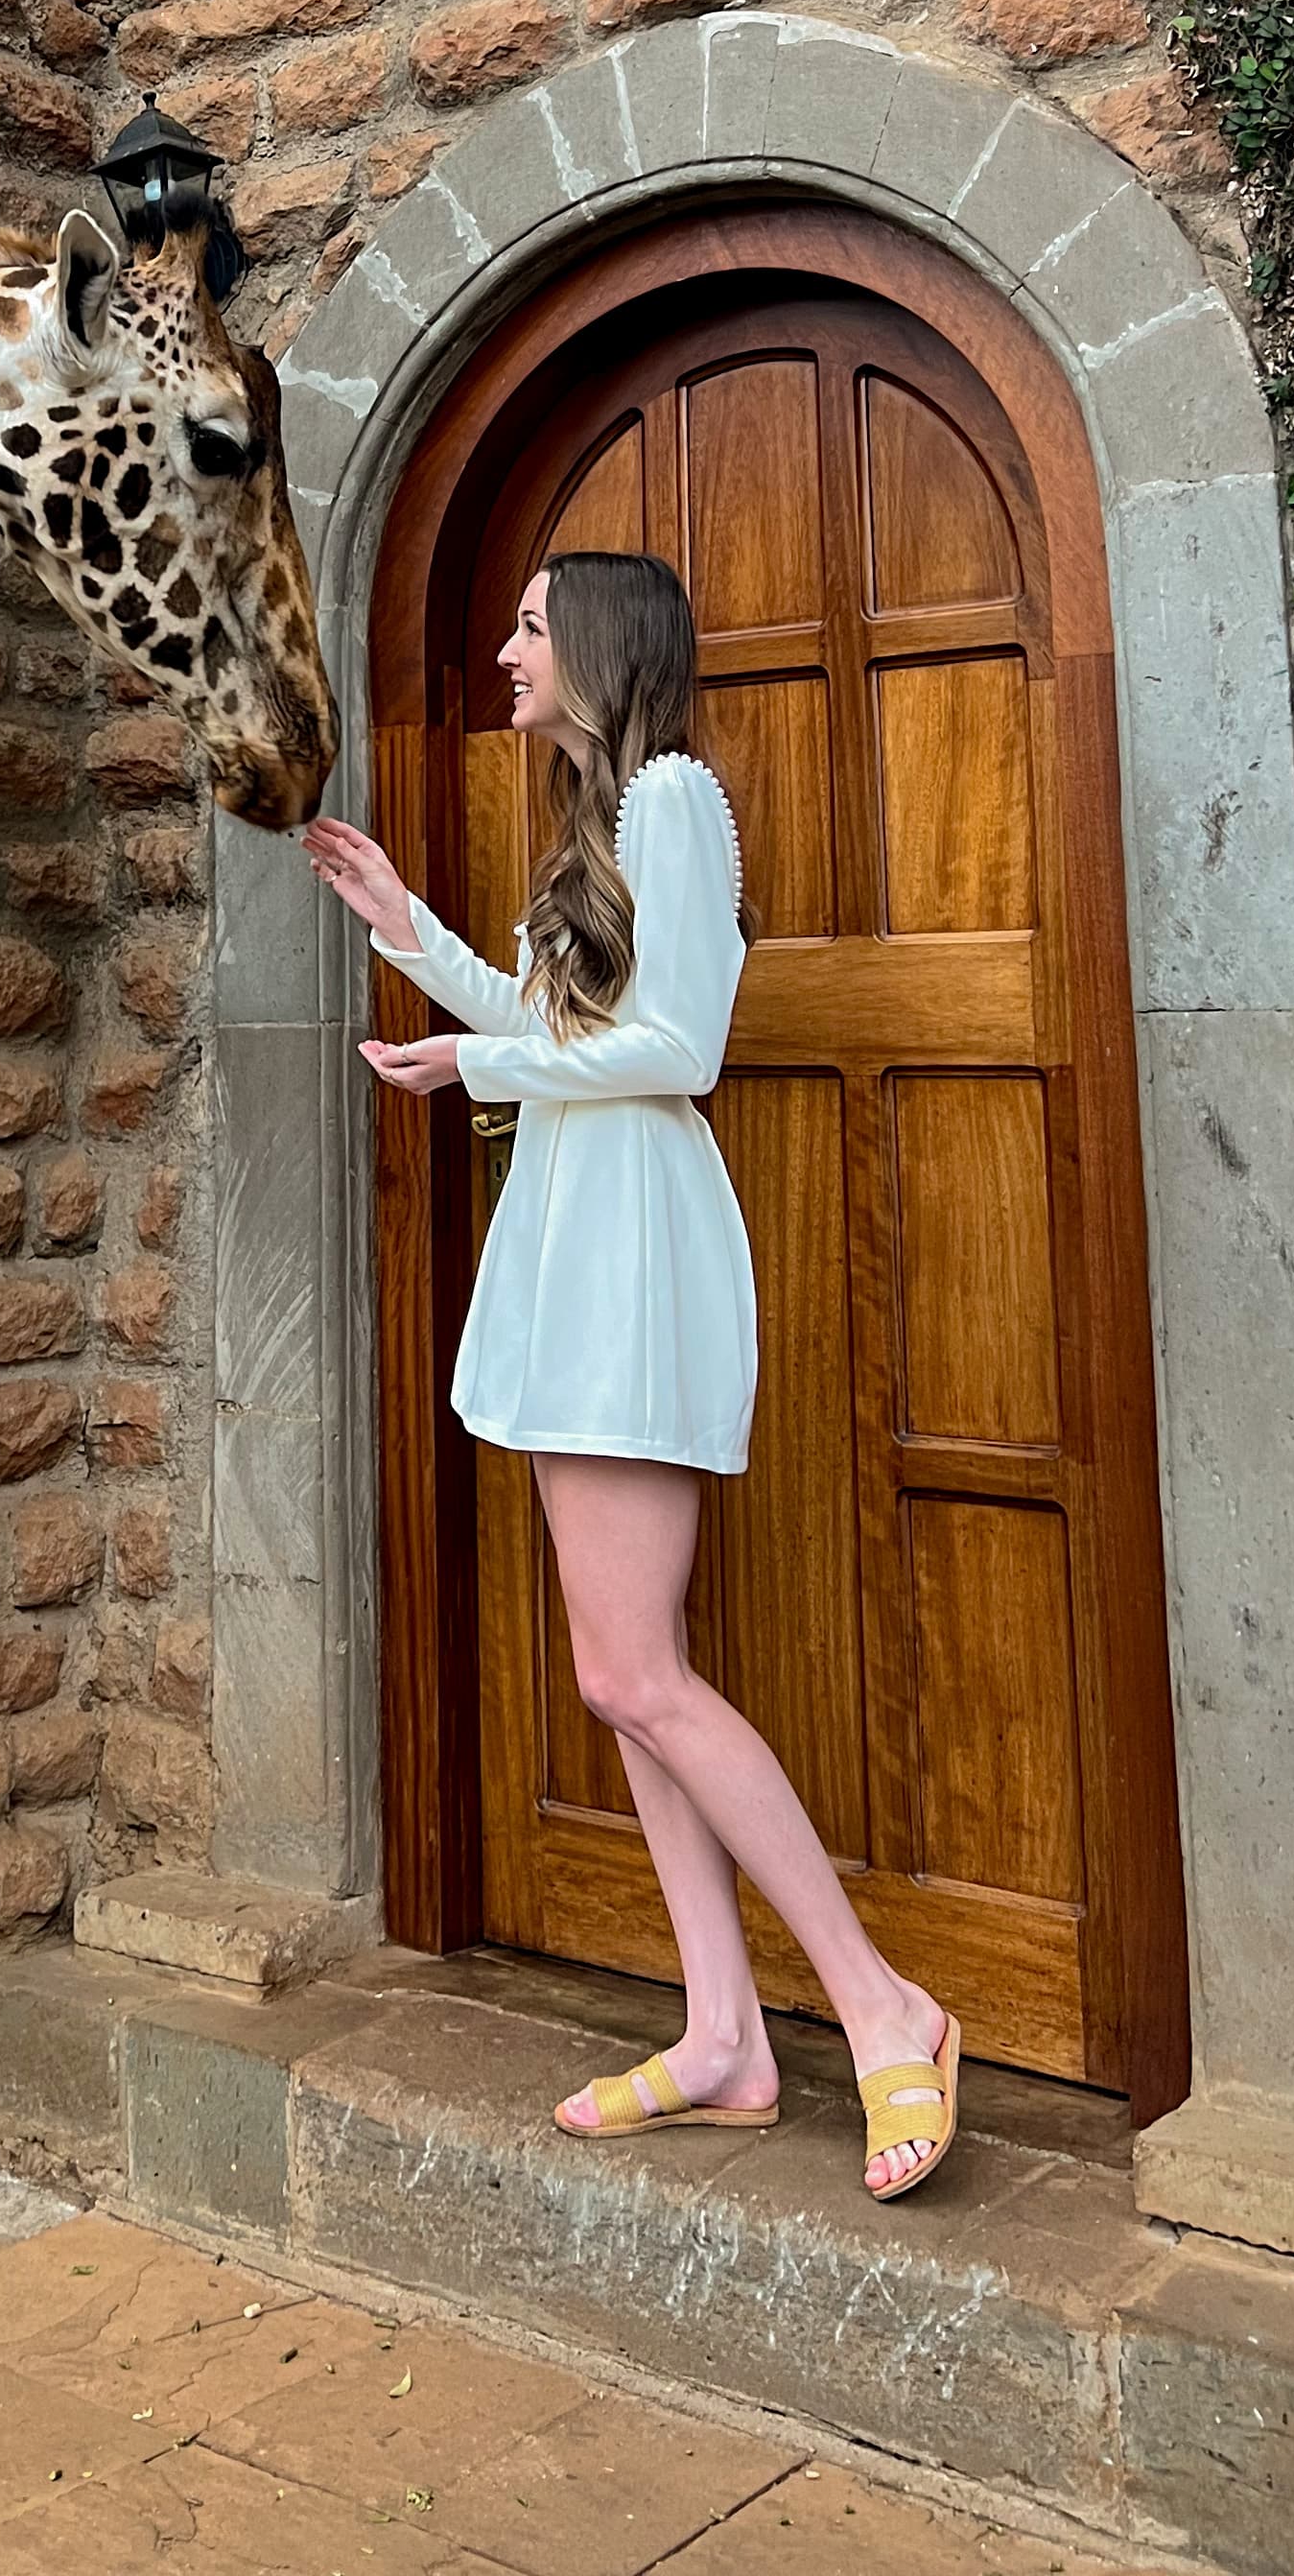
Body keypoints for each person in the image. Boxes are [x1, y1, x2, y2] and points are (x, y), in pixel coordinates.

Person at [302, 546, 960, 2202]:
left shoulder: (674, 795)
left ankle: (886, 2007)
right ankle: (725, 2030)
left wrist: (476, 1060)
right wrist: (411, 934)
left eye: (530, 625)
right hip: (576, 1250)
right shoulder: (596, 828)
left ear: (599, 644)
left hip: (636, 1254)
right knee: (620, 1670)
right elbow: (568, 1033)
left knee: (641, 1677)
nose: (508, 652)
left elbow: (679, 1051)